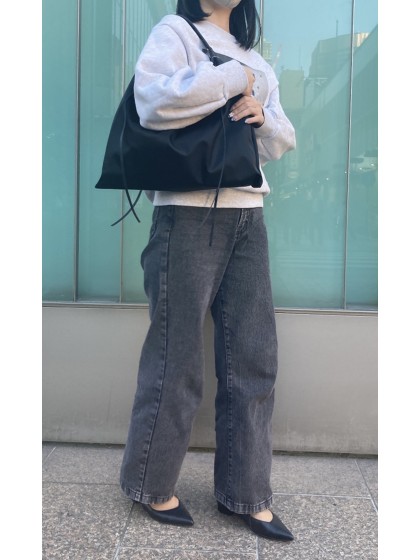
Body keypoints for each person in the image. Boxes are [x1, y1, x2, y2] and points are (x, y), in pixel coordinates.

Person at [120, 0, 296, 542]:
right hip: (187, 214)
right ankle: (149, 482)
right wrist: (231, 79)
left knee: (254, 357)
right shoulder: (175, 32)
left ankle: (246, 492)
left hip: (248, 214)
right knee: (175, 355)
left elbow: (282, 140)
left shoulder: (254, 57)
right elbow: (153, 102)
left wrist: (262, 114)